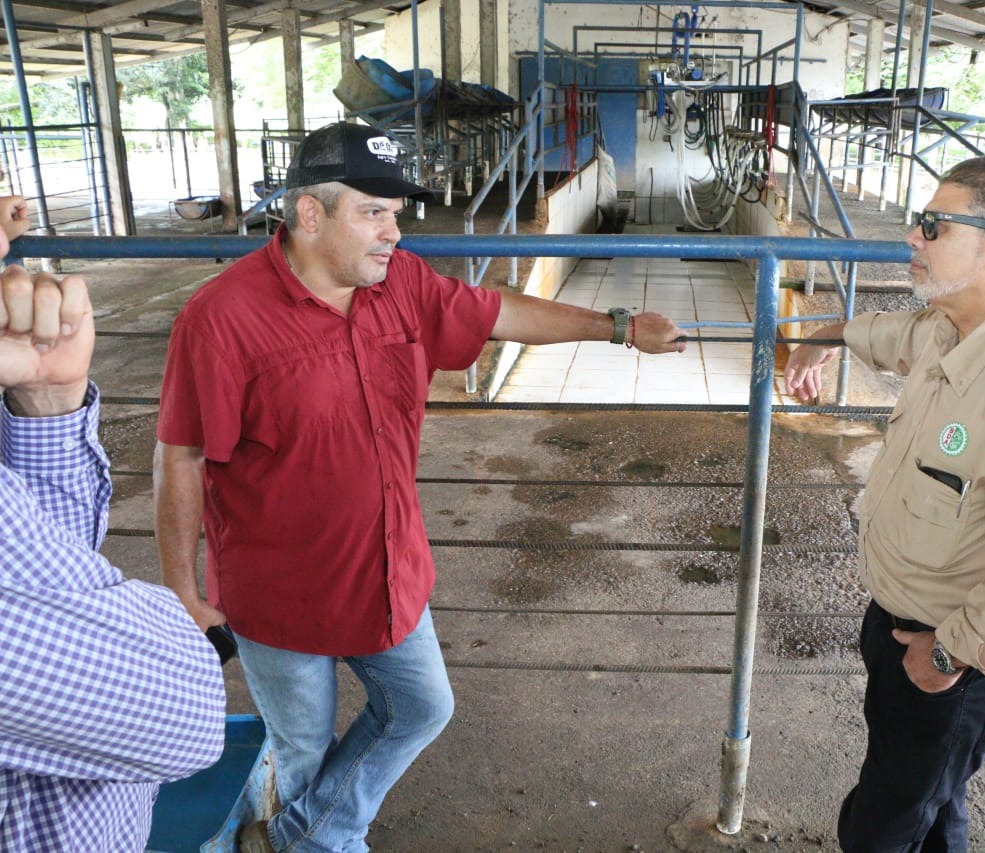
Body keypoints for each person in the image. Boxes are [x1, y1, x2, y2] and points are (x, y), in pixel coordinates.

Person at [153, 121, 687, 853]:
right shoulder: (221, 319)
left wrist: (618, 325)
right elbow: (181, 453)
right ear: (310, 215)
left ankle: (291, 838)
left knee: (422, 705)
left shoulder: (400, 283)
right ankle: (313, 839)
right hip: (279, 589)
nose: (394, 232)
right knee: (301, 750)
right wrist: (181, 583)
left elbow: (498, 313)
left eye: (396, 214)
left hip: (387, 568)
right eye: (374, 212)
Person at [784, 156, 985, 852]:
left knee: (883, 826)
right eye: (917, 223)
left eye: (934, 225)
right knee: (930, 809)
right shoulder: (951, 326)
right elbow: (887, 335)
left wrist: (949, 653)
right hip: (905, 629)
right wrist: (823, 336)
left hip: (956, 657)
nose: (914, 237)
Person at [0, 197, 226, 851]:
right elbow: (181, 712)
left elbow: (56, 554)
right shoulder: (220, 311)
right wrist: (176, 602)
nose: (13, 216)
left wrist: (47, 401)